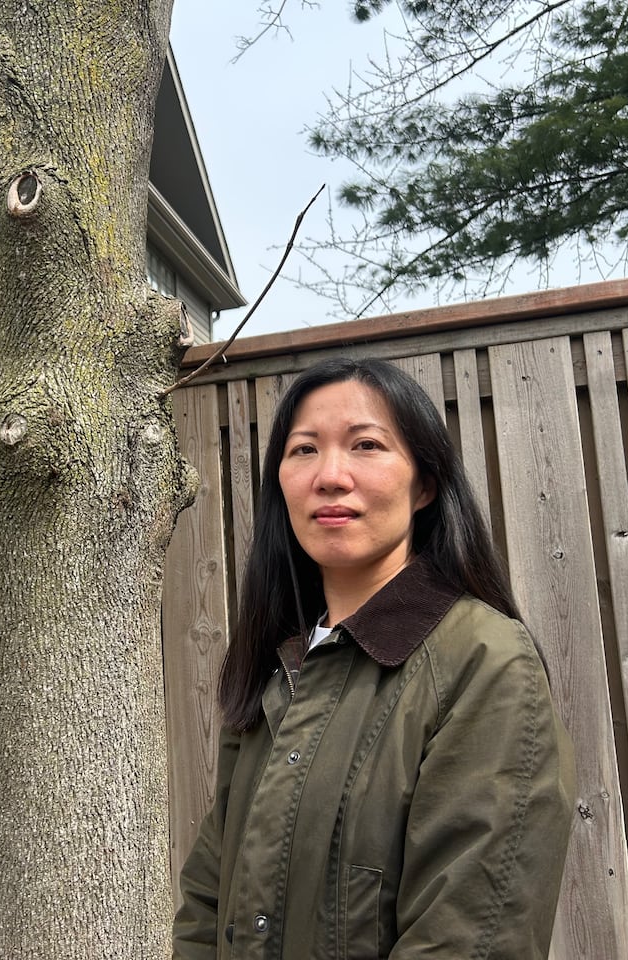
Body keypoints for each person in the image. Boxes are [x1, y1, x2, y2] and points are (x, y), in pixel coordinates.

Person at [172, 358, 576, 959]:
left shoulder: (483, 662)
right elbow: (210, 894)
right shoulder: (280, 663)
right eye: (304, 450)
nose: (330, 476)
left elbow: (471, 937)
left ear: (425, 484)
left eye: (366, 445)